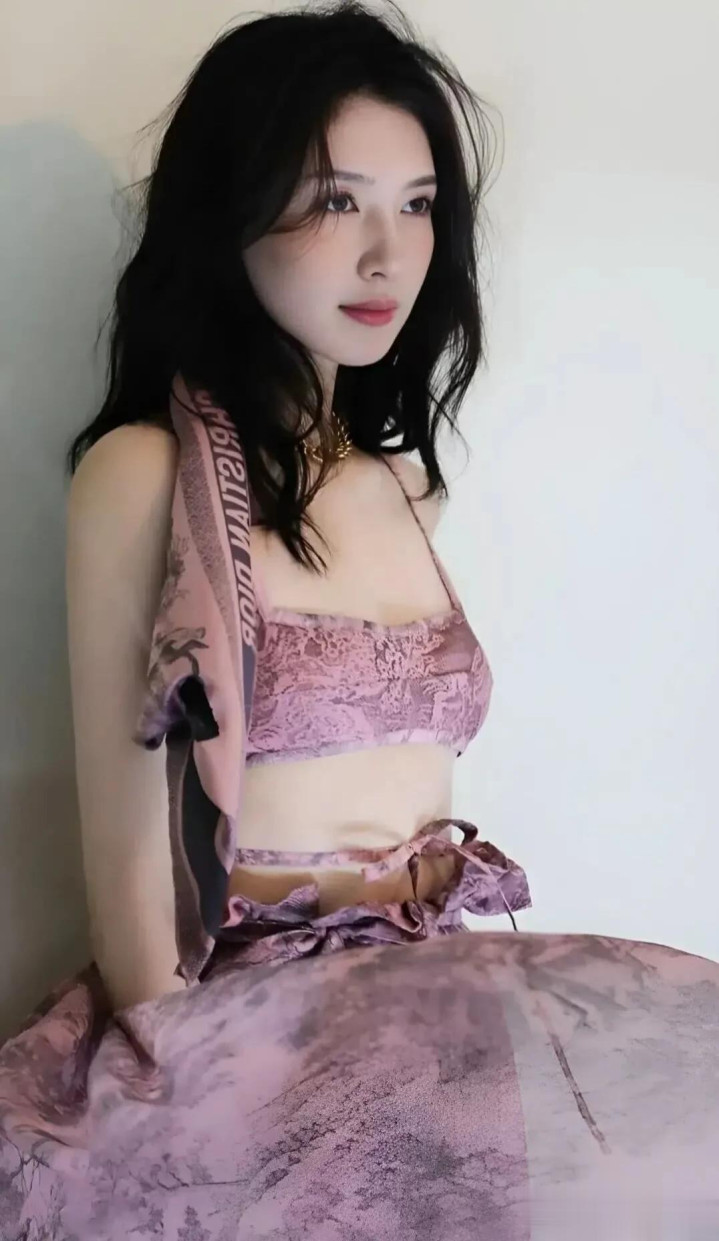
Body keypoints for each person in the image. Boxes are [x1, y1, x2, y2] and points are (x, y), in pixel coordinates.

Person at [1, 4, 717, 1238]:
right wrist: (238, 1119)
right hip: (248, 1050)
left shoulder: (406, 490)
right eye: (337, 201)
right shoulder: (142, 475)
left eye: (418, 203)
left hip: (439, 1025)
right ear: (230, 209)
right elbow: (135, 921)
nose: (388, 254)